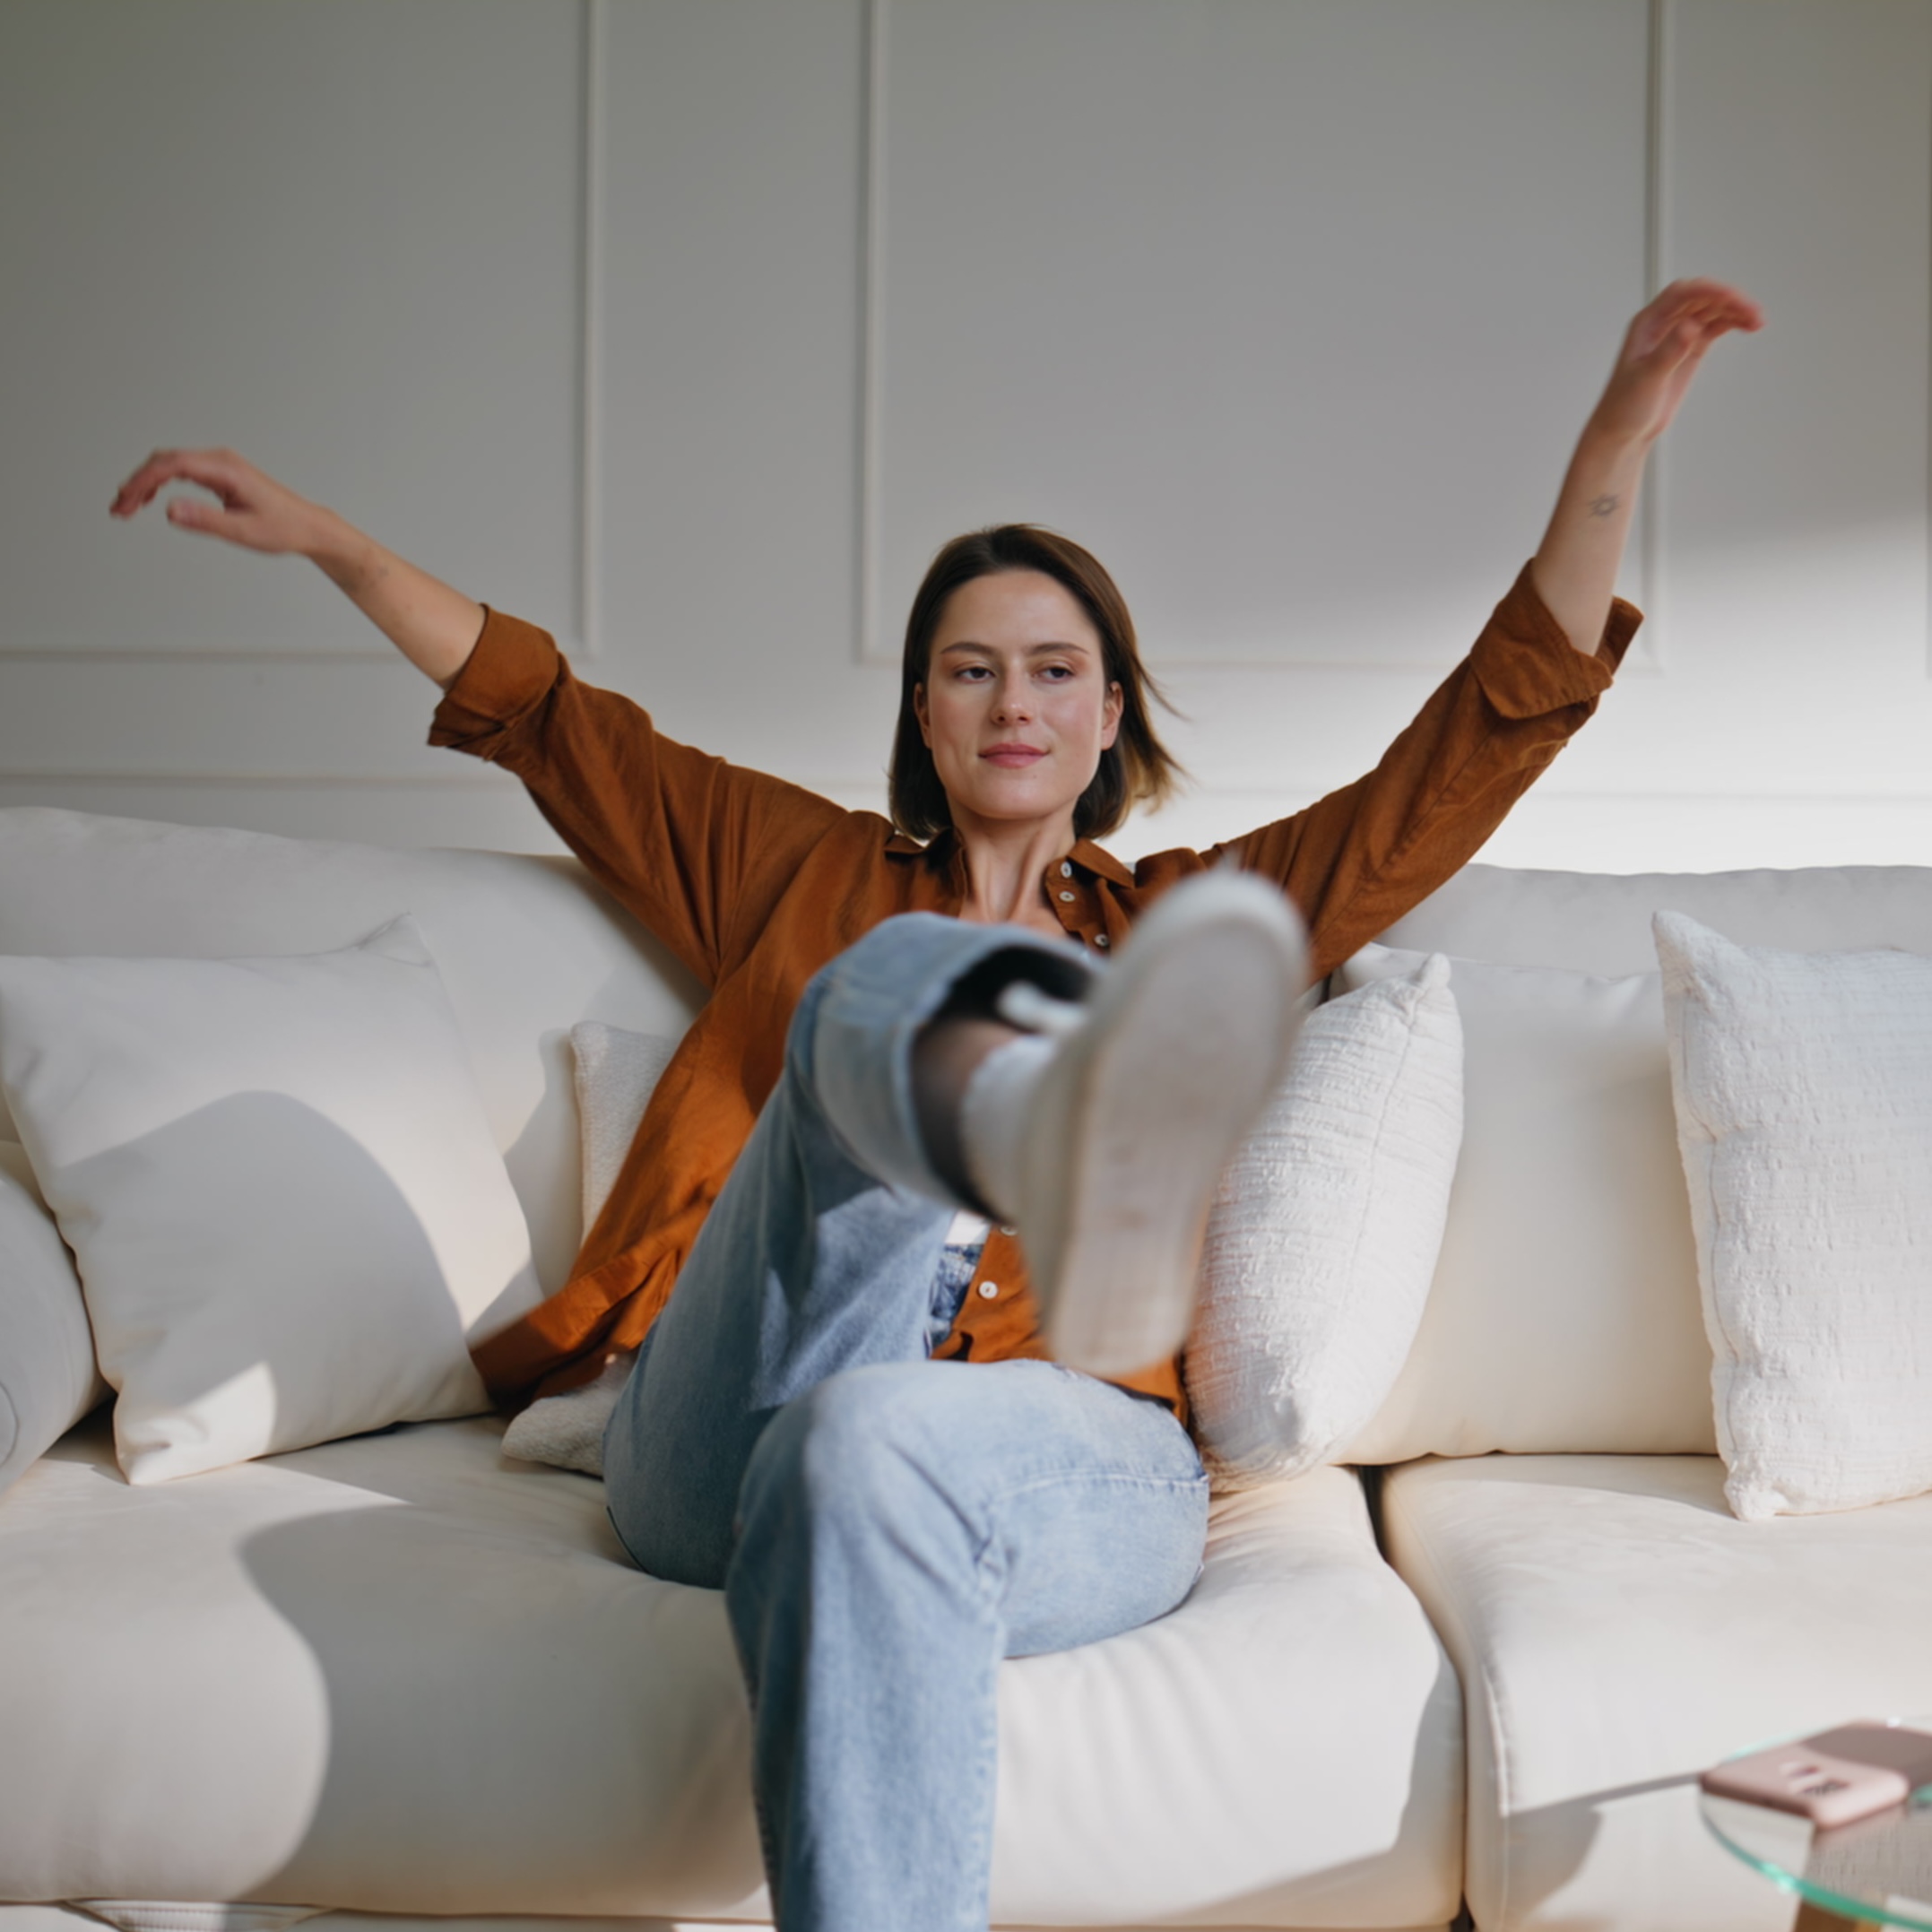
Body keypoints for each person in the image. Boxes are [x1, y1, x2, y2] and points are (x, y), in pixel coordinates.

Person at [111, 277, 1760, 1931]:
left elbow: (1472, 742)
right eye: (972, 671)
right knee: (875, 996)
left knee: (874, 1437)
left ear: (1111, 714)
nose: (1015, 704)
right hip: (719, 1442)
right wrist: (333, 543)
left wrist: (1614, 442)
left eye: (1056, 671)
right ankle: (1000, 1104)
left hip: (1059, 1445)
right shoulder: (803, 871)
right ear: (924, 711)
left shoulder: (1199, 924)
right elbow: (552, 723)